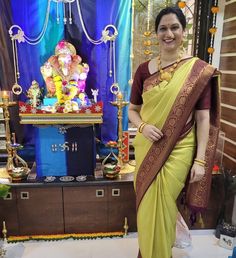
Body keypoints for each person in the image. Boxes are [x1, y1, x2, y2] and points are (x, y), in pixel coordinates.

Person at [128, 6, 220, 258]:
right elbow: (132, 110)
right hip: (149, 146)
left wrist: (200, 160)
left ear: (183, 31)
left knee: (166, 202)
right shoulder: (144, 70)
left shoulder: (197, 71)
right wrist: (143, 127)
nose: (168, 33)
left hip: (181, 147)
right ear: (156, 33)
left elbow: (203, 118)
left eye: (174, 27)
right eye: (163, 28)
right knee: (148, 203)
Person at [41, 40, 89, 105]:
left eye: (68, 60)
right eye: (61, 60)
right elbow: (47, 74)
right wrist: (47, 68)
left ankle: (68, 99)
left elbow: (82, 77)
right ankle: (61, 100)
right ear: (57, 59)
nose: (64, 63)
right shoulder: (54, 67)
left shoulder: (77, 67)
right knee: (50, 81)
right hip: (57, 90)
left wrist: (85, 71)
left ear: (71, 59)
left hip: (73, 89)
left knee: (80, 84)